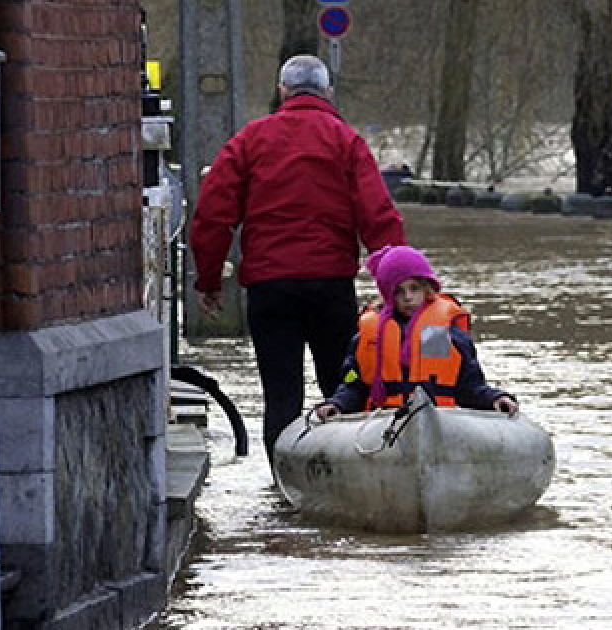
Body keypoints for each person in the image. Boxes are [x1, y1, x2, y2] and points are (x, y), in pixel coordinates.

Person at [189, 54, 407, 463]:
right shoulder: (347, 142)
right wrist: (398, 290)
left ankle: (284, 490)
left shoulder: (249, 140)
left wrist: (209, 281)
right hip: (331, 287)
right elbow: (378, 217)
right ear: (327, 92)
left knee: (281, 394)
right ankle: (346, 478)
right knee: (343, 389)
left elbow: (212, 217)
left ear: (282, 91)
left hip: (271, 289)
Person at [312, 245, 518, 420]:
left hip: (440, 421)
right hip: (382, 422)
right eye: (399, 291)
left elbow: (469, 386)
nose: (408, 297)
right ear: (387, 294)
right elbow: (354, 386)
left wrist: (494, 398)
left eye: (414, 288)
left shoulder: (441, 333)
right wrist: (336, 404)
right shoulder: (368, 336)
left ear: (427, 289)